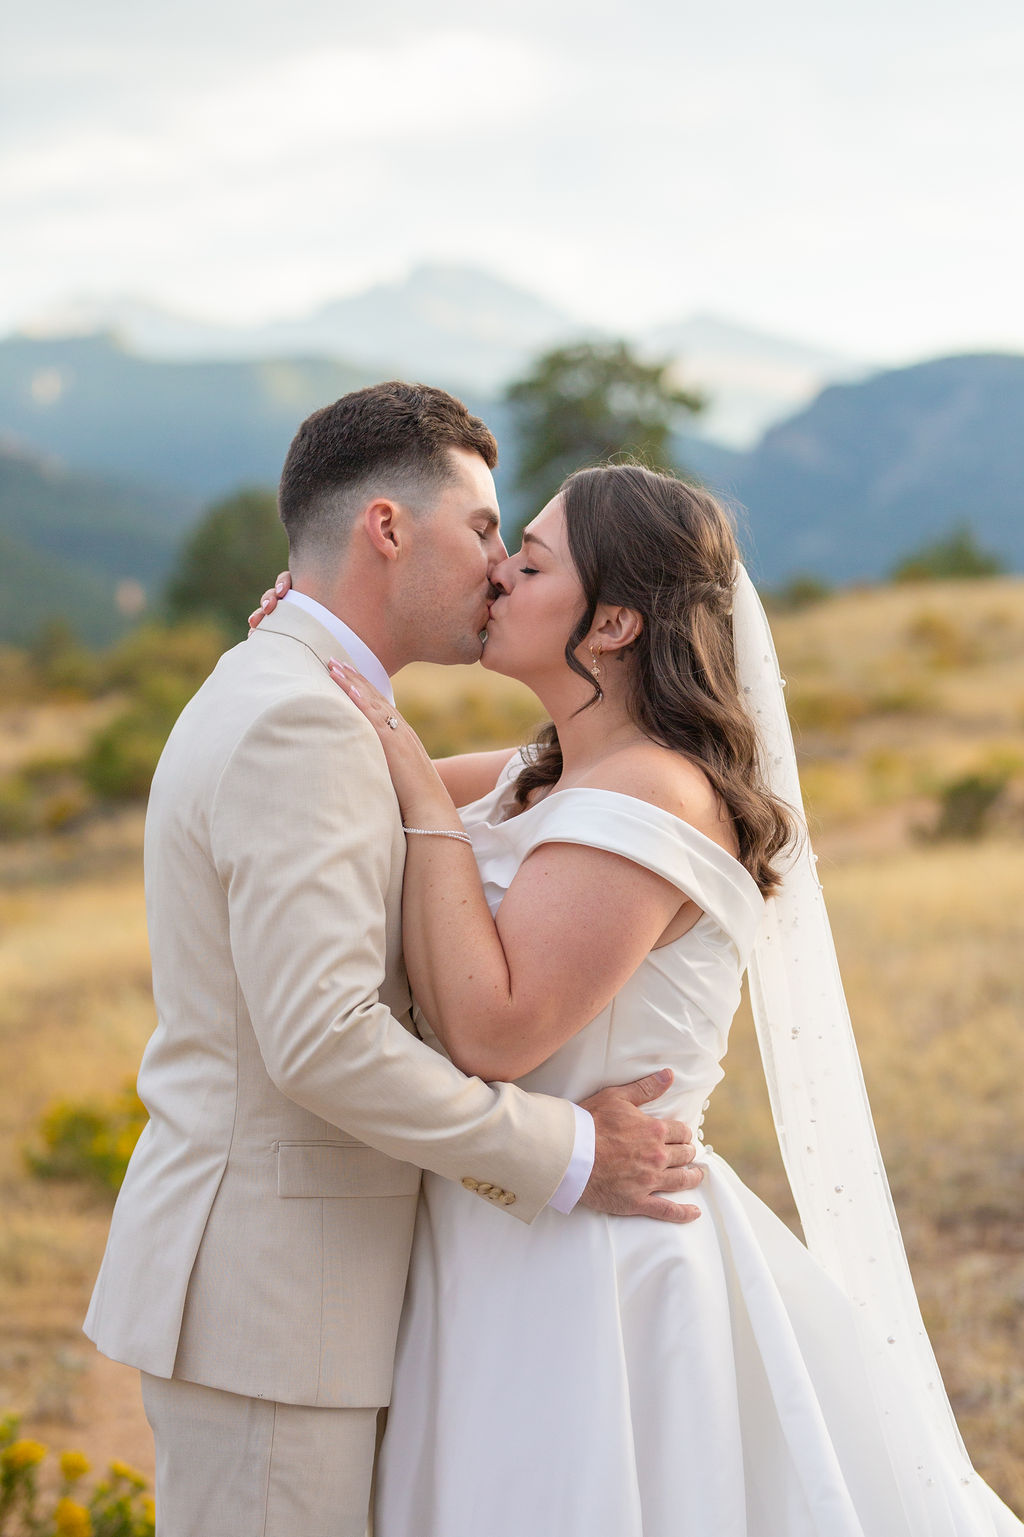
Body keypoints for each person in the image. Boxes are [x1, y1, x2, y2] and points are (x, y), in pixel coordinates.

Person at [262, 462, 1022, 1535]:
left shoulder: (653, 790)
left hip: (595, 1268)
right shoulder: (551, 767)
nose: (495, 574)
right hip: (497, 1228)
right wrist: (310, 643)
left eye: (527, 560)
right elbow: (355, 778)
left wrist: (422, 792)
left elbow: (493, 1028)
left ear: (612, 621)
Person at [83, 385, 706, 1537]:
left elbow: (527, 783)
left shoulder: (315, 696)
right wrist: (570, 1150)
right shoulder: (302, 718)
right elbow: (323, 1037)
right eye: (483, 533)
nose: (495, 570)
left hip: (348, 1300)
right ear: (385, 527)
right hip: (275, 1305)